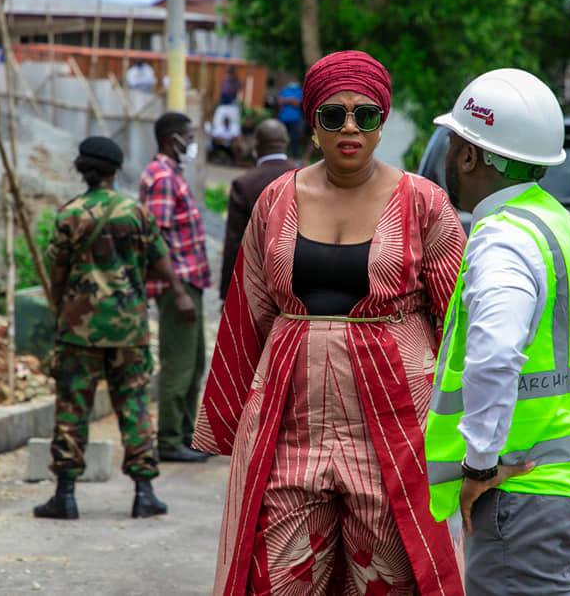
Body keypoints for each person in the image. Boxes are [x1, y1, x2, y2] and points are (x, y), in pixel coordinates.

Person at [193, 50, 466, 595]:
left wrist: (472, 436)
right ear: (312, 124)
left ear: (381, 124)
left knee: (394, 574)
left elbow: (460, 323)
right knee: (277, 574)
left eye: (364, 115)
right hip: (290, 417)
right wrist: (225, 416)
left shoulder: (425, 204)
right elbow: (249, 309)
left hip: (395, 424)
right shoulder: (276, 200)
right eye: (332, 115)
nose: (349, 127)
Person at [424, 69, 570, 595]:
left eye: (455, 143)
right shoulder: (566, 227)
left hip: (526, 500)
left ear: (469, 156)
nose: (450, 156)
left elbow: (494, 356)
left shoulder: (504, 239)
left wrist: (480, 464)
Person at [34, 136, 195, 520]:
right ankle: (143, 493)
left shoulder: (69, 214)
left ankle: (66, 495)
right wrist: (179, 294)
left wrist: (61, 309)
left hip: (79, 330)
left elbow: (55, 272)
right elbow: (160, 260)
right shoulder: (135, 212)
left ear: (80, 168)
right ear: (115, 170)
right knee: (135, 406)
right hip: (129, 328)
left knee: (72, 409)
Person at [140, 113, 212, 463]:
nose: (193, 140)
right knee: (179, 365)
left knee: (195, 362)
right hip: (178, 285)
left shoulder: (172, 175)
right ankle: (169, 440)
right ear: (172, 138)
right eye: (188, 134)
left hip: (190, 281)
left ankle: (184, 434)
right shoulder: (162, 178)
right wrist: (178, 291)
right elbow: (155, 238)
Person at [218, 118, 295, 300]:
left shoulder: (244, 184)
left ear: (256, 146)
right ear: (286, 143)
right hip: (295, 286)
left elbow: (235, 243)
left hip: (255, 286)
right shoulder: (303, 177)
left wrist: (227, 295)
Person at [277, 80, 304, 158]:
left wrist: (287, 101)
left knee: (295, 139)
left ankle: (295, 156)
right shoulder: (284, 90)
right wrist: (290, 100)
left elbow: (299, 104)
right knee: (282, 138)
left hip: (295, 120)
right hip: (283, 119)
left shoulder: (300, 91)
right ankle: (282, 155)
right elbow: (279, 101)